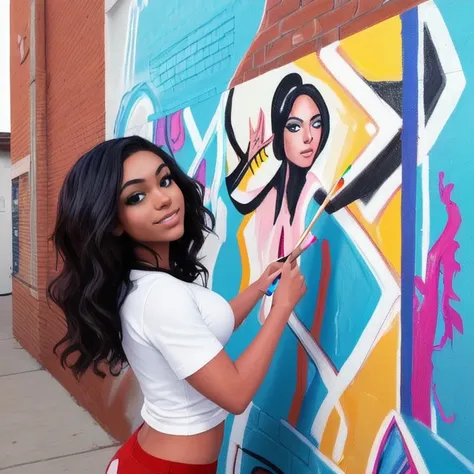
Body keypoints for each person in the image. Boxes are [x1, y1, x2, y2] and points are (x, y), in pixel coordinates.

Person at [47, 135, 307, 474]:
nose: (164, 199)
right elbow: (236, 394)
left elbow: (205, 329)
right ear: (112, 221)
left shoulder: (142, 282)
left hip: (154, 455)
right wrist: (282, 307)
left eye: (165, 180)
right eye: (137, 196)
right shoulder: (159, 297)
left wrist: (261, 287)